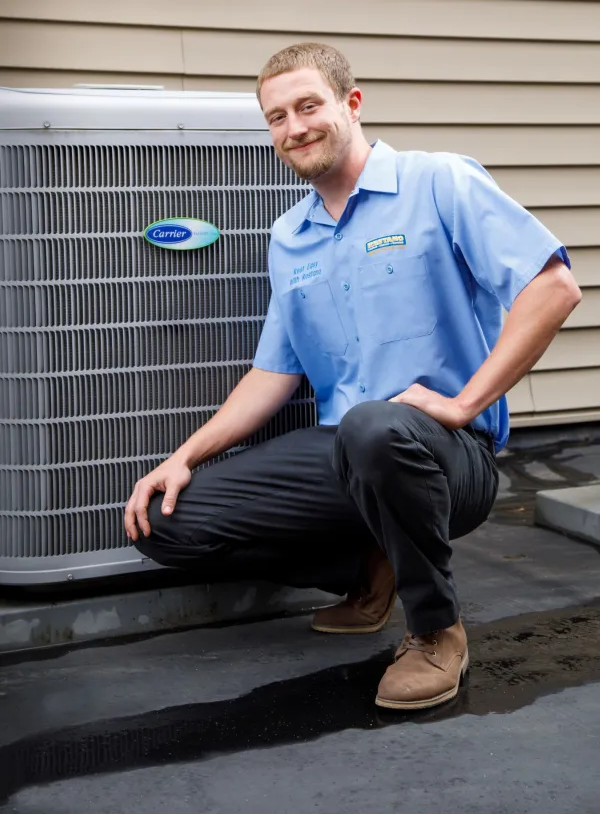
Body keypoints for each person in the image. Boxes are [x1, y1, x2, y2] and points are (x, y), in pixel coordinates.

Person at [125, 43, 581, 710]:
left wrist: (462, 404)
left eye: (309, 106)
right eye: (277, 117)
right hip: (348, 454)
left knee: (373, 427)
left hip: (451, 456)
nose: (295, 127)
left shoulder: (438, 182)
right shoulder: (291, 238)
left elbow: (554, 288)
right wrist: (183, 458)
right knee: (163, 522)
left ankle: (435, 633)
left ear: (351, 103)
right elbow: (272, 374)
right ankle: (374, 568)